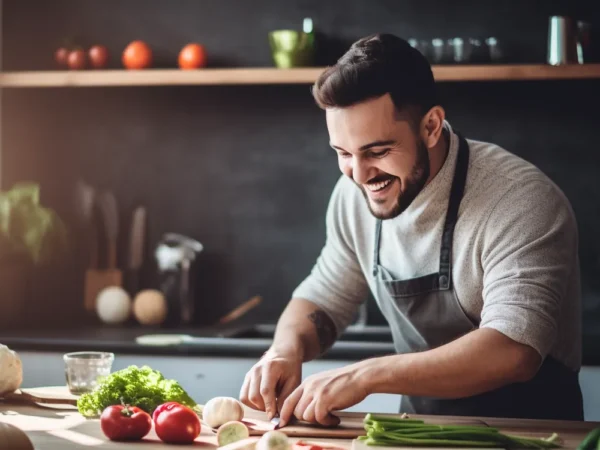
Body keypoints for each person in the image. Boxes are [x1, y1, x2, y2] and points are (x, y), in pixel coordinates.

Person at [239, 33, 583, 425]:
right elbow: (324, 295)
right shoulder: (355, 196)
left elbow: (514, 350)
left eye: (378, 151)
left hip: (533, 433)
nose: (360, 174)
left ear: (432, 126)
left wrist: (366, 375)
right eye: (343, 153)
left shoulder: (519, 199)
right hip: (418, 431)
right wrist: (283, 351)